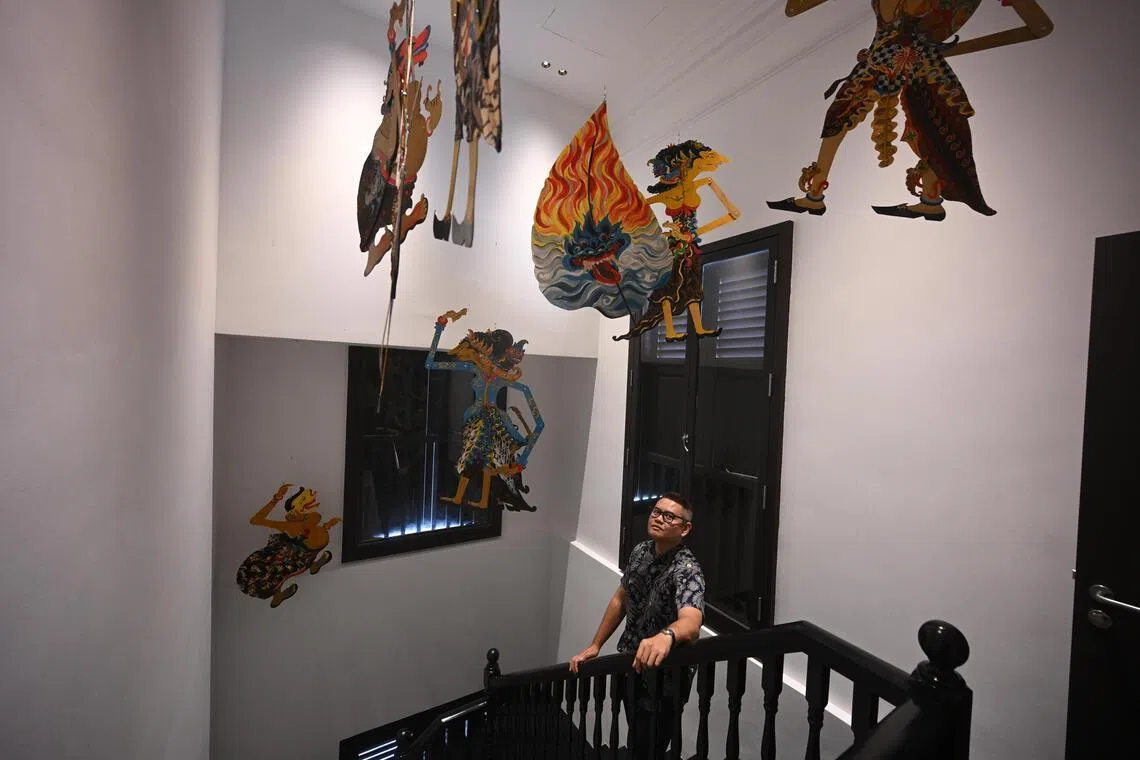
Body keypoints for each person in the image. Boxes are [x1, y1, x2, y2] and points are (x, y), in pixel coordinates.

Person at [569, 493, 705, 759]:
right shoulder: (640, 551)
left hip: (665, 678)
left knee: (649, 744)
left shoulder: (687, 569)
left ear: (685, 528)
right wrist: (596, 645)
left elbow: (692, 621)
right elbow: (621, 598)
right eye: (656, 511)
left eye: (669, 516)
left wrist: (666, 636)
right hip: (630, 662)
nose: (658, 518)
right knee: (636, 733)